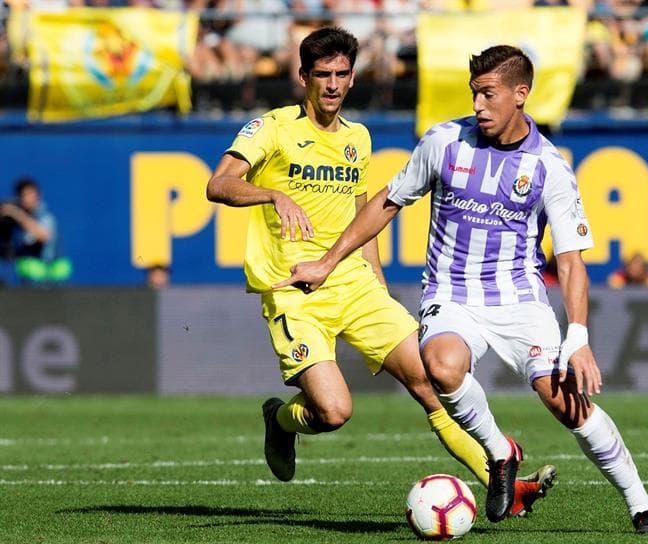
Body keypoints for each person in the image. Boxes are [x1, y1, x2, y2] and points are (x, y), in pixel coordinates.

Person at [275, 45, 648, 533]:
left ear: (520, 95)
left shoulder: (550, 166)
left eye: (488, 94)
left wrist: (579, 338)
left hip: (520, 299)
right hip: (451, 294)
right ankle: (501, 452)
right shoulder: (444, 142)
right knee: (441, 366)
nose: (479, 105)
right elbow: (387, 202)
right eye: (474, 93)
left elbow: (570, 262)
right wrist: (328, 261)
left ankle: (641, 504)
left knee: (562, 399)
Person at [205, 27, 552, 520]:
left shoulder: (357, 138)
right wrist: (272, 194)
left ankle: (506, 485)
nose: (332, 85)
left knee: (432, 380)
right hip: (294, 291)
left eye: (341, 74)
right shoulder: (272, 129)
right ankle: (280, 419)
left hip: (355, 285)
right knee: (333, 412)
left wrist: (380, 288)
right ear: (302, 76)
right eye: (321, 75)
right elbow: (218, 185)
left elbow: (362, 216)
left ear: (352, 77)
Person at [0, 176, 71, 286]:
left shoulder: (45, 216)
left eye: (30, 194)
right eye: (23, 195)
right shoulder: (17, 221)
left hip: (52, 281)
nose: (27, 198)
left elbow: (44, 236)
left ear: (38, 194)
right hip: (30, 283)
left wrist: (16, 213)